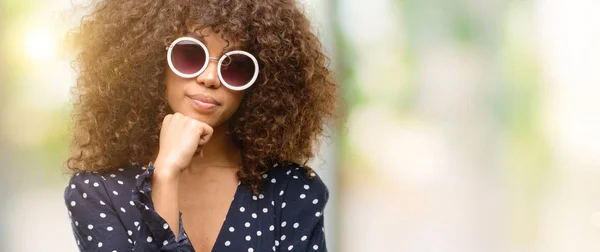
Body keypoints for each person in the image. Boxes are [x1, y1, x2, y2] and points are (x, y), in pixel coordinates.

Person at [62, 0, 339, 251]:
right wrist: (165, 176)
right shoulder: (98, 192)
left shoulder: (290, 190)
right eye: (190, 55)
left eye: (236, 66)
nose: (210, 77)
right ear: (153, 61)